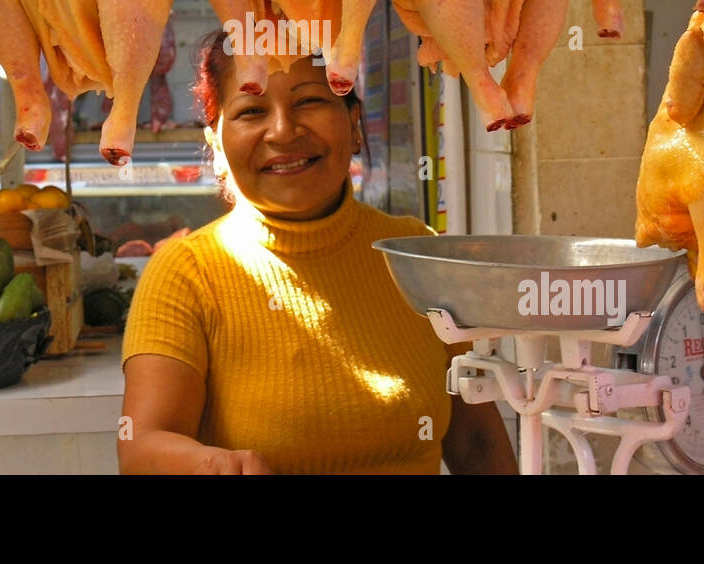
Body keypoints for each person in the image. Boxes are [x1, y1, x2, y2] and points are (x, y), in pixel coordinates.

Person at [118, 30, 517, 474]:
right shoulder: (186, 273)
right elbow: (141, 446)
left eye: (309, 101)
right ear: (216, 144)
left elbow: (476, 439)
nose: (284, 131)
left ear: (353, 122)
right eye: (251, 111)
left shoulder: (418, 259)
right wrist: (213, 463)